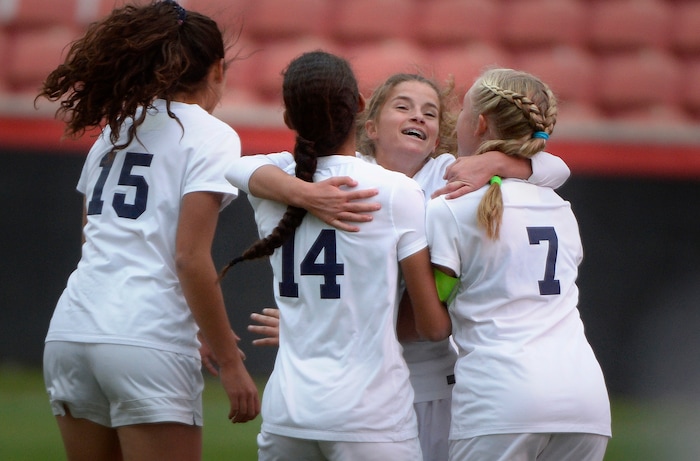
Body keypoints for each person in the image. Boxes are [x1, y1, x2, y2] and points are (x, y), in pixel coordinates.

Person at [245, 72, 571, 461]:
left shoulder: (449, 171)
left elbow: (558, 169)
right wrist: (306, 194)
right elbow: (242, 168)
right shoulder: (350, 175)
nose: (418, 117)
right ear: (370, 126)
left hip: (430, 382)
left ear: (437, 137)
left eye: (430, 113)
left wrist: (497, 162)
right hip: (360, 391)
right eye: (403, 106)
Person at [36, 2, 259, 460]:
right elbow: (189, 258)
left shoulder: (115, 130)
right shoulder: (213, 134)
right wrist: (232, 363)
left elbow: (92, 243)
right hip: (146, 337)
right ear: (217, 69)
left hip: (71, 332)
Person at [223, 50, 451, 461]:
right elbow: (432, 326)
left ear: (289, 119)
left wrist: (303, 193)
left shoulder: (270, 185)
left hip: (287, 415)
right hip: (370, 417)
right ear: (362, 109)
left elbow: (235, 168)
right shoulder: (396, 191)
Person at [425, 68, 611, 461]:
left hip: (501, 400)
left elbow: (433, 308)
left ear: (478, 123)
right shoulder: (561, 208)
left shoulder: (449, 209)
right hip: (585, 400)